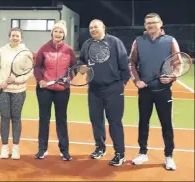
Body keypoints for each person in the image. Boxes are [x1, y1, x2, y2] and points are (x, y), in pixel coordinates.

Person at [129, 13, 178, 170]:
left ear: (160, 23)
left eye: (154, 22)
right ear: (145, 25)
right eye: (148, 23)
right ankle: (142, 153)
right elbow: (131, 64)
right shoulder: (138, 42)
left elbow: (178, 64)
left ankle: (169, 156)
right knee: (143, 123)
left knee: (167, 124)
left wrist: (171, 76)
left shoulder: (170, 41)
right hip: (145, 91)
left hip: (163, 90)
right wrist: (137, 81)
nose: (151, 25)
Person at [79, 19, 130, 166]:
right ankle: (100, 147)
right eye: (90, 28)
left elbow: (124, 66)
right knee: (96, 121)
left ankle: (120, 153)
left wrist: (121, 85)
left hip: (113, 89)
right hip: (94, 89)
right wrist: (81, 68)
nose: (93, 29)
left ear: (103, 27)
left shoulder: (115, 42)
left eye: (96, 27)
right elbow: (82, 62)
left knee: (114, 122)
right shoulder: (87, 44)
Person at [33, 20, 77, 161]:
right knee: (44, 119)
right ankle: (42, 149)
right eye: (56, 31)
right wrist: (41, 81)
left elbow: (74, 69)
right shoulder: (44, 48)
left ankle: (64, 150)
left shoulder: (69, 50)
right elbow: (37, 67)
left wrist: (68, 78)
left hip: (62, 90)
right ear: (52, 32)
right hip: (45, 90)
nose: (58, 33)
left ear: (64, 35)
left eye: (61, 32)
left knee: (61, 120)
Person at [0, 27, 33, 160]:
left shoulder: (26, 53)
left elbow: (29, 71)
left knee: (16, 118)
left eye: (17, 36)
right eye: (13, 35)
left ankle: (15, 147)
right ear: (9, 36)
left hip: (18, 91)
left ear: (21, 37)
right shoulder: (1, 51)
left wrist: (17, 80)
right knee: (4, 118)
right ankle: (4, 147)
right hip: (2, 90)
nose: (15, 38)